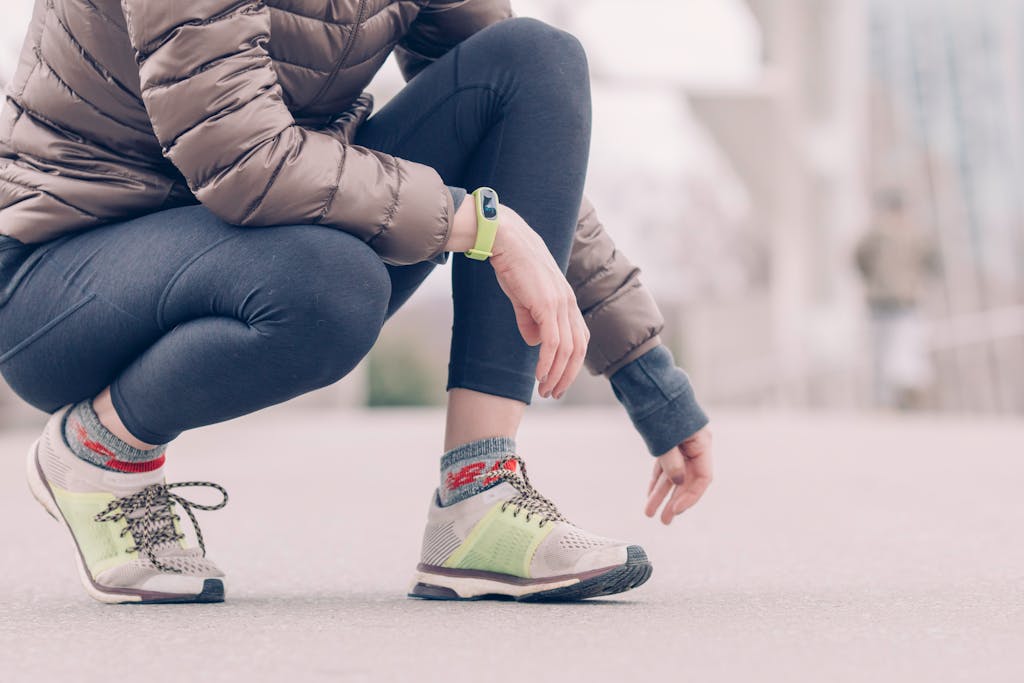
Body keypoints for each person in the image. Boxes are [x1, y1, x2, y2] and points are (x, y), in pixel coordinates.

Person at [0, 0, 713, 604]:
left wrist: (648, 375)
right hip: (63, 275)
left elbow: (524, 161)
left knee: (535, 61)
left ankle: (479, 492)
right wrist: (479, 225)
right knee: (332, 286)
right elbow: (243, 157)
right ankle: (97, 454)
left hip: (259, 235)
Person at [855, 190, 940, 410]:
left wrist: (872, 278)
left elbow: (858, 258)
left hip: (880, 300)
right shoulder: (914, 234)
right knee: (906, 348)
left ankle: (888, 398)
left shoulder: (875, 234)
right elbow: (933, 260)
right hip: (906, 299)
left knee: (883, 351)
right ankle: (905, 389)